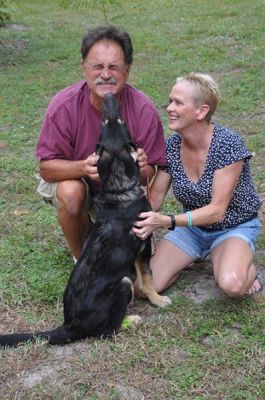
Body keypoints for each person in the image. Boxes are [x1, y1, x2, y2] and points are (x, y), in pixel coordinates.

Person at [35, 25, 166, 261]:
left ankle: (110, 235)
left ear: (127, 69)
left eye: (114, 67)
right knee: (71, 191)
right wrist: (83, 168)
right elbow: (46, 168)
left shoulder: (144, 110)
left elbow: (150, 174)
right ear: (83, 68)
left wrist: (139, 167)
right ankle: (82, 259)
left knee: (135, 267)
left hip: (121, 191)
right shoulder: (64, 105)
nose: (106, 74)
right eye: (98, 66)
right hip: (79, 183)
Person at [133, 72, 262, 298]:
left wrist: (167, 221)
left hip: (233, 226)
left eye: (178, 103)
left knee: (232, 284)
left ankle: (245, 268)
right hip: (192, 229)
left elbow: (217, 211)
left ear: (201, 111)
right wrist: (132, 168)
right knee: (144, 289)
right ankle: (193, 254)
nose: (169, 108)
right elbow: (154, 200)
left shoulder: (227, 143)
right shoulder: (172, 146)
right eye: (170, 101)